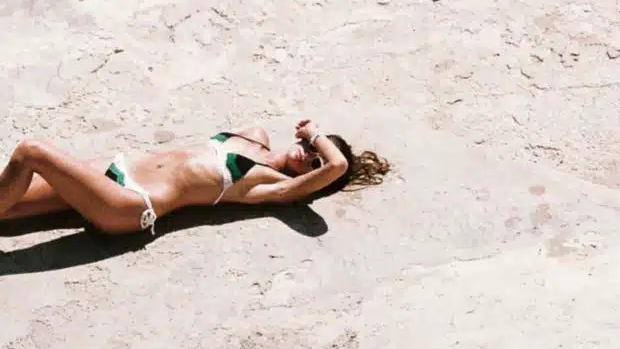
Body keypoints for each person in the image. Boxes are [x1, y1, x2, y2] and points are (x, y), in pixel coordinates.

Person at [0, 119, 389, 236]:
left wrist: (315, 134)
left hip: (132, 203)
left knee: (32, 152)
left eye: (315, 162)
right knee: (9, 208)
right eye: (310, 149)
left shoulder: (273, 186)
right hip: (115, 169)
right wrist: (313, 141)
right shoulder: (254, 137)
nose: (309, 156)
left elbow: (338, 167)